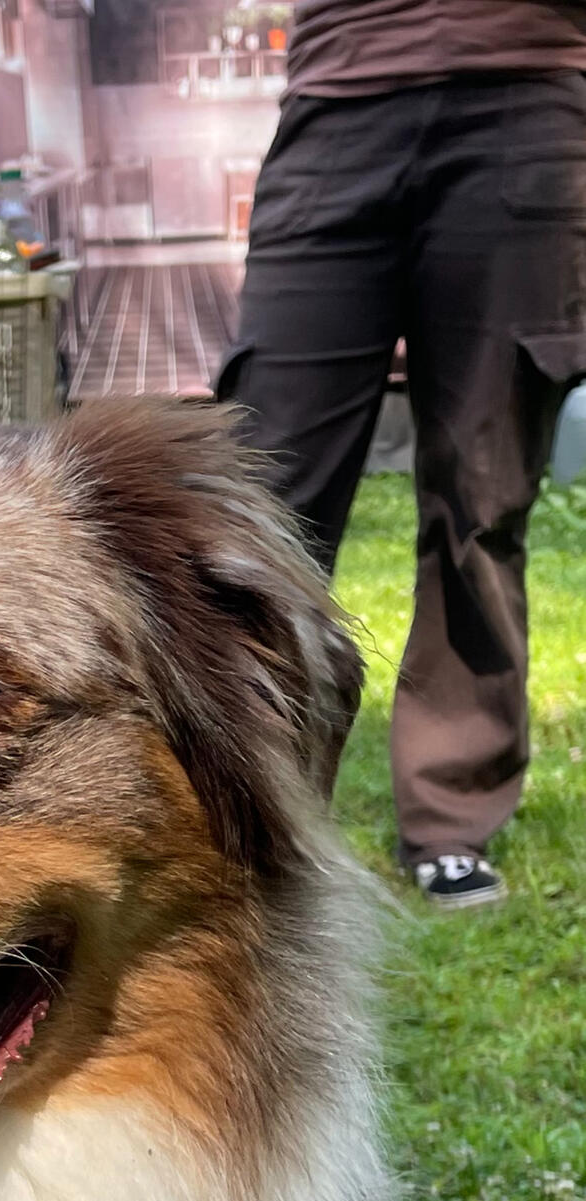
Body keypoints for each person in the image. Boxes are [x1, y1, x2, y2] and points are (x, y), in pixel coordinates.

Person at [217, 0, 586, 908]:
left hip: (523, 94)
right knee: (257, 509)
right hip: (339, 100)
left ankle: (450, 816)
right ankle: (236, 789)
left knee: (479, 498)